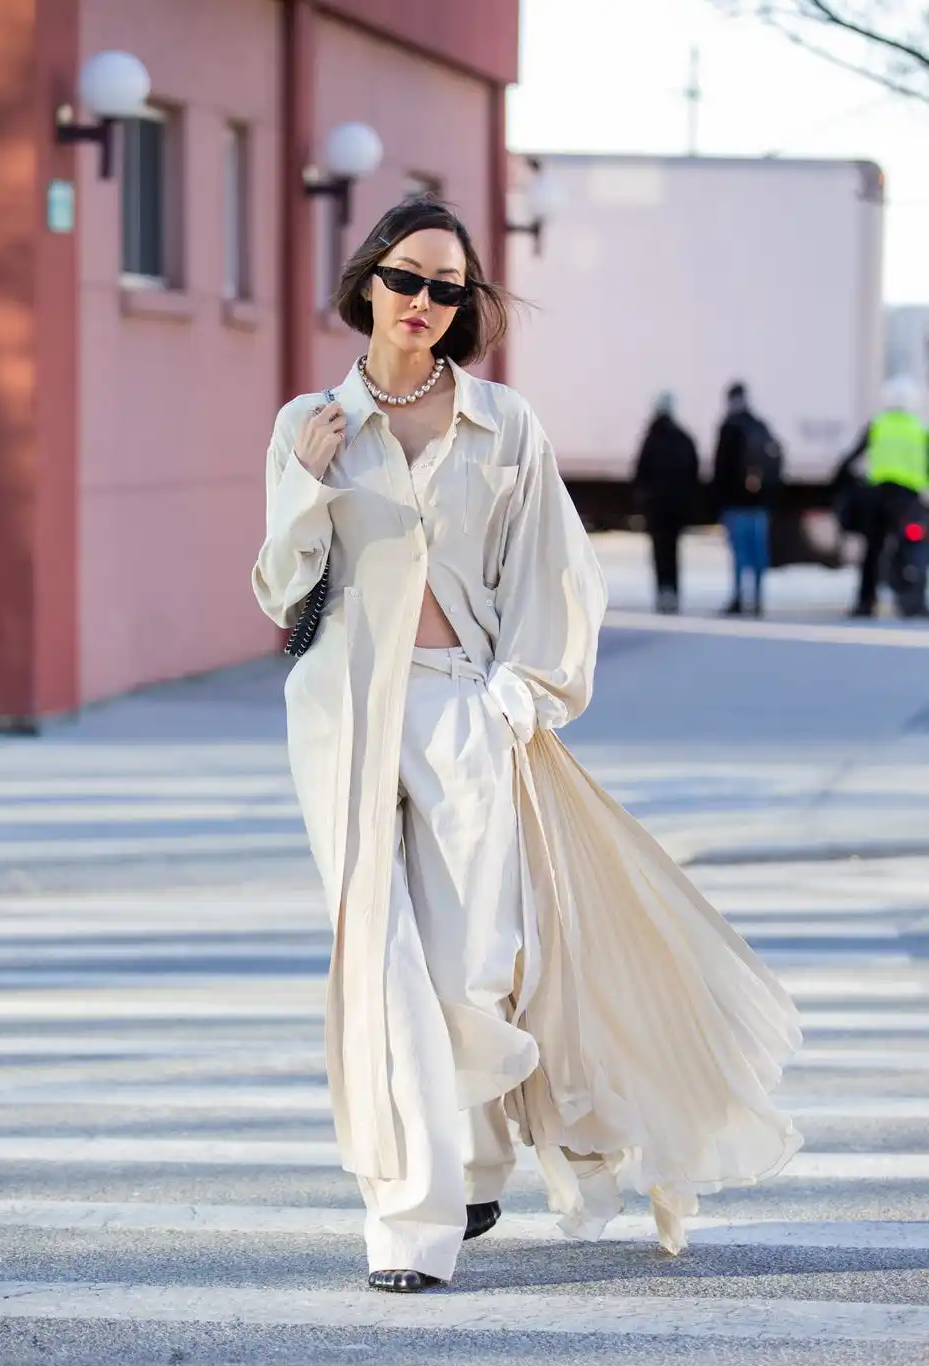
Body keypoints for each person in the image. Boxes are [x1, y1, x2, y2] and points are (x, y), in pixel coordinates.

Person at [252, 196, 802, 1295]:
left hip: (465, 703)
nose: (421, 302)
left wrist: (521, 695)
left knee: (473, 963)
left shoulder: (505, 423)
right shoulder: (310, 422)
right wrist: (307, 484)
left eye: (446, 288)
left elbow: (556, 572)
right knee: (383, 964)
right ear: (366, 282)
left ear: (466, 306)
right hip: (343, 715)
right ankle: (411, 1223)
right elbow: (278, 589)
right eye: (405, 279)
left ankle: (483, 1151)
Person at [833, 375, 929, 618]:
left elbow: (850, 458)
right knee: (913, 549)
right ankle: (913, 601)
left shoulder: (878, 424)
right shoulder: (919, 430)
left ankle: (865, 602)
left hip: (877, 497)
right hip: (908, 499)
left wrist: (845, 485)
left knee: (873, 550)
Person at [711, 381, 783, 618]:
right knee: (758, 553)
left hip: (736, 503)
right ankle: (758, 598)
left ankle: (740, 597)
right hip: (759, 504)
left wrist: (716, 500)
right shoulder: (759, 425)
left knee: (740, 554)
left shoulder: (729, 427)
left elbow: (720, 467)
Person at [632, 392, 700, 614]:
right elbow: (693, 473)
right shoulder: (684, 438)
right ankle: (675, 593)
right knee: (673, 550)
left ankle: (663, 592)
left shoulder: (651, 439)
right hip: (677, 507)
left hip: (657, 508)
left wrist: (643, 500)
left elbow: (640, 473)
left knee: (659, 551)